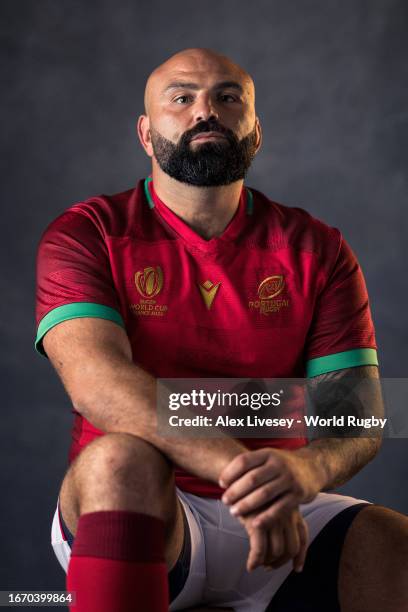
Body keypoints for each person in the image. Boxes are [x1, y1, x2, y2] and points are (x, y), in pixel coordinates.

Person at [35, 47, 408, 612]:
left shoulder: (318, 248)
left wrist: (304, 469)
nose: (204, 112)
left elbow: (355, 417)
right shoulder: (89, 233)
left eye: (227, 98)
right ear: (145, 132)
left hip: (278, 511)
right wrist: (242, 469)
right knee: (120, 459)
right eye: (181, 98)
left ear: (256, 132)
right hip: (146, 507)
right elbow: (99, 387)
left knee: (394, 545)